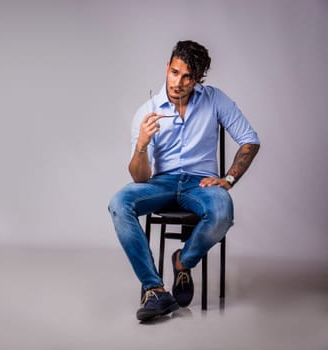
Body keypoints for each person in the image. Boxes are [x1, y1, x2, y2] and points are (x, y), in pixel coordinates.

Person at [108, 40, 260, 322]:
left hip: (200, 184)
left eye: (187, 76)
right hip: (161, 183)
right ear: (167, 67)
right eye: (175, 72)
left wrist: (228, 178)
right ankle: (154, 290)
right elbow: (140, 177)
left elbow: (250, 140)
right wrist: (142, 144)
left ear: (199, 78)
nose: (178, 82)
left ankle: (182, 261)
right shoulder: (147, 111)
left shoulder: (214, 99)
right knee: (119, 202)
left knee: (223, 210)